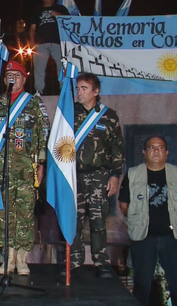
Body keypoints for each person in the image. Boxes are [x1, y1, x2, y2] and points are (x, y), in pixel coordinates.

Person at [119, 135, 177, 306]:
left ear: (166, 153)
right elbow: (124, 205)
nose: (156, 151)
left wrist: (175, 219)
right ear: (144, 152)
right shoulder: (133, 174)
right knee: (141, 287)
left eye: (160, 147)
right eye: (151, 147)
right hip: (144, 238)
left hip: (172, 238)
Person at [64, 73, 125, 278]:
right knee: (75, 221)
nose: (79, 92)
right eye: (78, 88)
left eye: (84, 88)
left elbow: (117, 149)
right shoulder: (69, 113)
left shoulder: (109, 116)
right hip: (75, 176)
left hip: (99, 176)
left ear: (95, 91)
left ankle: (101, 262)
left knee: (99, 222)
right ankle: (73, 260)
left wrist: (115, 175)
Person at [0, 61, 49, 276]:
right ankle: (7, 257)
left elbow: (44, 135)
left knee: (25, 213)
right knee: (4, 214)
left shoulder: (34, 103)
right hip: (1, 168)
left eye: (16, 75)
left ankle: (22, 258)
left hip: (27, 167)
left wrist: (42, 164)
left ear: (24, 79)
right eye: (9, 75)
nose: (12, 78)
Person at [29, 0, 70, 95]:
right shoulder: (37, 10)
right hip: (41, 42)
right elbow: (32, 27)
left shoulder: (61, 9)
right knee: (39, 68)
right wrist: (32, 41)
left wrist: (58, 15)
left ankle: (64, 89)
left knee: (62, 66)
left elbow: (70, 21)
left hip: (58, 42)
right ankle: (39, 90)